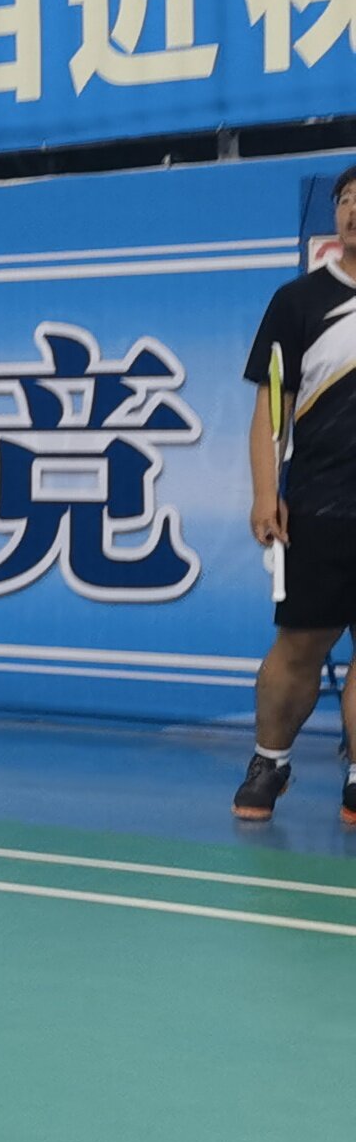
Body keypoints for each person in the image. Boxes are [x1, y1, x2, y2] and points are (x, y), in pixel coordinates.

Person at [234, 163, 356, 822]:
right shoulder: (297, 301)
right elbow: (270, 408)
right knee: (300, 646)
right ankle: (270, 760)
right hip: (317, 505)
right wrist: (265, 493)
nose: (354, 209)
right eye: (346, 199)